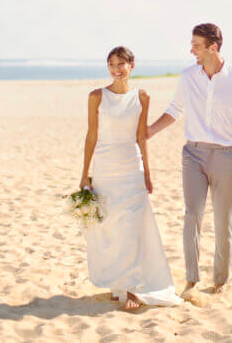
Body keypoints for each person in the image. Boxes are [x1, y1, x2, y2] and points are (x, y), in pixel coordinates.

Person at [147, 23, 232, 295]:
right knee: (192, 215)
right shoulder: (187, 77)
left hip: (225, 155)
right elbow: (175, 110)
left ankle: (220, 279)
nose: (191, 50)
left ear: (213, 47)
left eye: (196, 45)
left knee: (223, 219)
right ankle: (192, 279)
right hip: (193, 154)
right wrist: (149, 131)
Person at [79, 46, 182, 309]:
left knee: (133, 228)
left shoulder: (142, 97)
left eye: (121, 63)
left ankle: (135, 289)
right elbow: (91, 136)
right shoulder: (96, 97)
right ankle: (119, 285)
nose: (116, 68)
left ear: (131, 66)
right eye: (111, 64)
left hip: (131, 168)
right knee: (112, 227)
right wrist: (85, 175)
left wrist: (148, 173)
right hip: (105, 168)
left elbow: (141, 136)